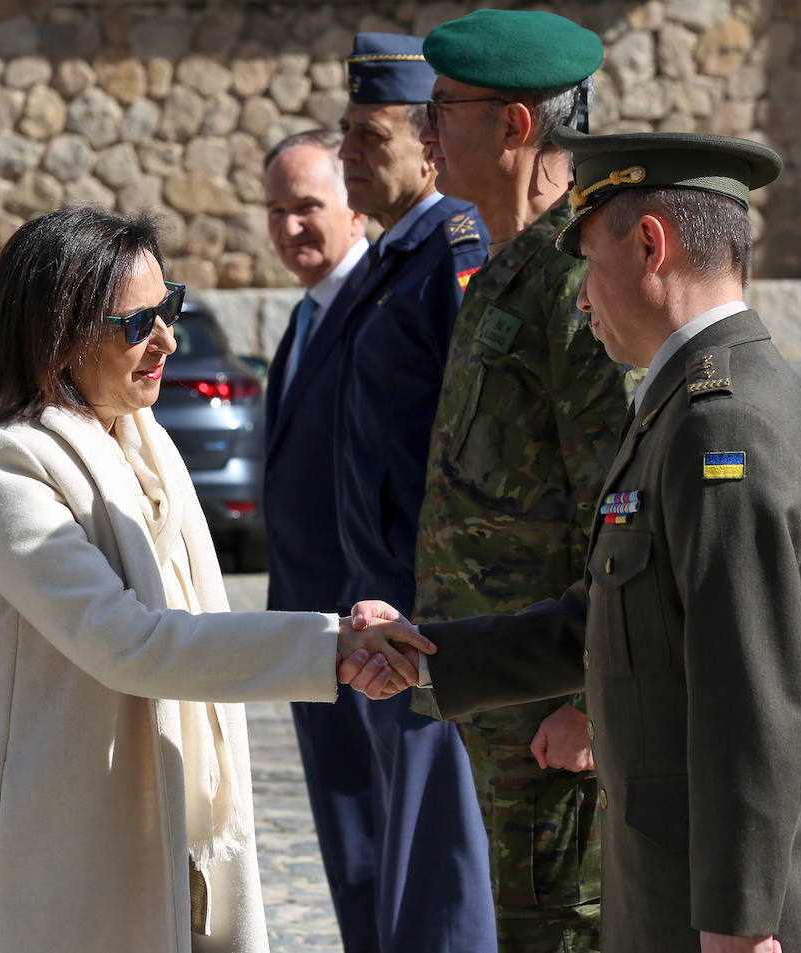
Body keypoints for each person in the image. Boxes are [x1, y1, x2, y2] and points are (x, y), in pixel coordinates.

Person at [343, 131, 801, 953]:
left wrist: (737, 921)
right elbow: (605, 620)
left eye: (587, 264)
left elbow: (751, 694)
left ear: (650, 245)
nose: (581, 299)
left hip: (750, 915)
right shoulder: (683, 405)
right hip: (689, 892)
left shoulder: (725, 423)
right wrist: (423, 656)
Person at [0, 206, 429, 953]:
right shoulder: (1, 465)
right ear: (59, 333)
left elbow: (191, 617)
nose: (167, 340)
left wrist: (342, 639)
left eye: (170, 307)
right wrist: (331, 647)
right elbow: (128, 642)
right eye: (137, 323)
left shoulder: (143, 440)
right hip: (38, 845)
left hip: (148, 814)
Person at [409, 10, 634, 950]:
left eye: (442, 109)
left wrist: (593, 699)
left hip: (553, 713)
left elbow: (622, 503)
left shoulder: (578, 279)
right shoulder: (505, 266)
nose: (424, 131)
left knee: (565, 933)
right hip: (500, 698)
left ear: (514, 127)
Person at [288, 34, 497, 953]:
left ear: (427, 144)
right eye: (345, 137)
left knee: (441, 876)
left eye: (369, 137)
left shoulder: (452, 249)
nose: (349, 157)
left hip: (424, 612)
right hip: (372, 607)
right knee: (390, 869)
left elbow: (478, 436)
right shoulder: (383, 262)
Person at [261, 129, 370, 615]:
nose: (288, 229)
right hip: (307, 611)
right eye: (276, 211)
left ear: (357, 210)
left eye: (306, 207)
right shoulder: (307, 314)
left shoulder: (382, 309)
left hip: (363, 616)